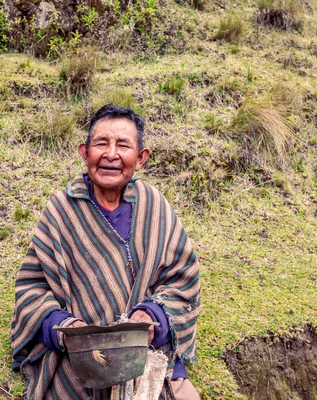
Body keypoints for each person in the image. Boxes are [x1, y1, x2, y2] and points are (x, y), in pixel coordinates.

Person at [11, 104, 201, 399]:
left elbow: (182, 280)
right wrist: (65, 327)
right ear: (85, 153)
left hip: (150, 354)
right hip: (81, 359)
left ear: (140, 158)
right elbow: (32, 288)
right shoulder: (61, 211)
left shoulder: (155, 206)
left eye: (122, 145)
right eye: (101, 143)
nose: (110, 154)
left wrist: (152, 318)